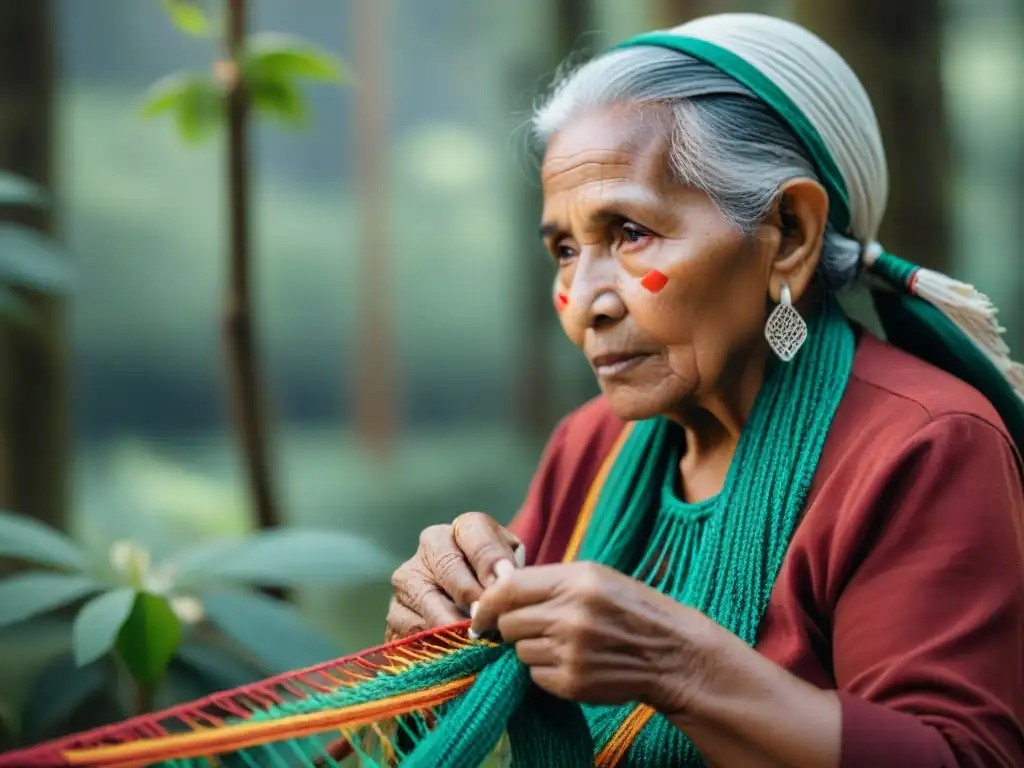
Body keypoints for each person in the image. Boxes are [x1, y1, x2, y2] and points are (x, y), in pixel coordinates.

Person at [386, 13, 1024, 767]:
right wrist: (430, 639)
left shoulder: (923, 445)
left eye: (629, 232)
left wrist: (681, 667)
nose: (587, 300)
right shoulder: (592, 445)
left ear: (788, 232)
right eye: (564, 249)